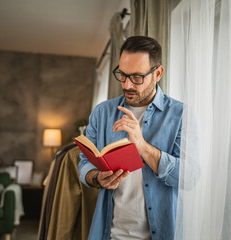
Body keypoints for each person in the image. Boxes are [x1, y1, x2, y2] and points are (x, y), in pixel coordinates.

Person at [78, 35, 183, 240]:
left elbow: (189, 176)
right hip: (108, 233)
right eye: (122, 75)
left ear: (158, 73)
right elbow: (84, 163)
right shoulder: (102, 112)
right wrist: (96, 177)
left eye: (136, 77)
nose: (126, 85)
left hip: (161, 233)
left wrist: (141, 145)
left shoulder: (180, 115)